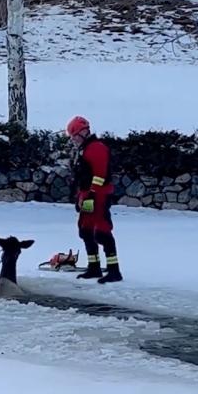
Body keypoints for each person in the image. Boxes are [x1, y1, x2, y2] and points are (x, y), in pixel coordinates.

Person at [67, 116, 121, 283]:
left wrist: (92, 193)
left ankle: (114, 270)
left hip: (99, 195)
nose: (73, 140)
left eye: (75, 136)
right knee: (86, 230)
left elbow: (100, 174)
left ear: (84, 132)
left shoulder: (96, 148)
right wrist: (81, 196)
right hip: (87, 195)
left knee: (102, 231)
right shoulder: (84, 149)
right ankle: (94, 267)